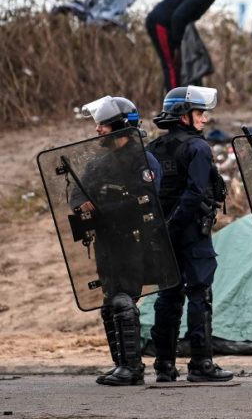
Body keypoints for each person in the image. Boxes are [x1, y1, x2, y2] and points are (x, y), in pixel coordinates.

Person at [71, 96, 162, 386]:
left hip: (133, 240)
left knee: (125, 298)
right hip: (106, 242)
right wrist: (82, 203)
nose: (98, 130)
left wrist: (104, 211)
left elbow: (146, 200)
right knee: (110, 301)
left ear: (120, 125)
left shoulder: (142, 160)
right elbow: (77, 192)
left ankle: (133, 368)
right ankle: (121, 363)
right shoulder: (99, 163)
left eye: (103, 125)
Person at [146, 86, 232, 383]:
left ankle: (164, 366)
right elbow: (195, 194)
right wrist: (176, 225)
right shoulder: (198, 148)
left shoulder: (154, 149)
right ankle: (200, 364)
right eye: (199, 113)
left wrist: (164, 229)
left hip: (163, 233)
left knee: (168, 296)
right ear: (184, 115)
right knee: (199, 294)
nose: (204, 119)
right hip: (192, 231)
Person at [146, 0, 237, 92]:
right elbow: (178, 16)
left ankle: (176, 102)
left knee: (175, 66)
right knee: (171, 65)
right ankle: (174, 106)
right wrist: (177, 45)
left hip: (169, 26)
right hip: (160, 23)